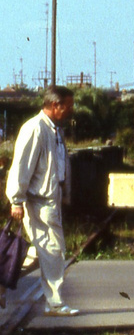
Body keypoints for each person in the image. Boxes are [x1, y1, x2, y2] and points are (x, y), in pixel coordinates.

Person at [6, 85, 77, 316]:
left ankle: (1, 278)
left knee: (40, 252)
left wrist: (64, 194)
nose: (71, 110)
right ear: (55, 106)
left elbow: (59, 164)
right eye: (68, 106)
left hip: (50, 200)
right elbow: (21, 166)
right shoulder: (35, 128)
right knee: (53, 251)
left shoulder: (55, 130)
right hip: (38, 202)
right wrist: (16, 200)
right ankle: (55, 303)